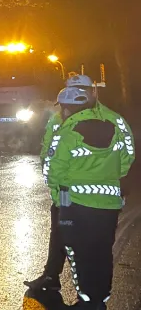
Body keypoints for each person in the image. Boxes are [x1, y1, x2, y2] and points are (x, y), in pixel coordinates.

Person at [43, 86, 134, 308]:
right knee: (102, 252)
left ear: (67, 109)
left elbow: (52, 171)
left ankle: (85, 300)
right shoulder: (113, 127)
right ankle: (100, 300)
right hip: (108, 206)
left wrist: (59, 199)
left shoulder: (67, 133)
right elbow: (125, 161)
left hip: (75, 205)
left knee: (77, 251)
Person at [25, 74, 98, 293]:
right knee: (59, 230)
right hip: (62, 190)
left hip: (82, 189)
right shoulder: (58, 118)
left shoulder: (98, 120)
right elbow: (49, 148)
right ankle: (51, 276)